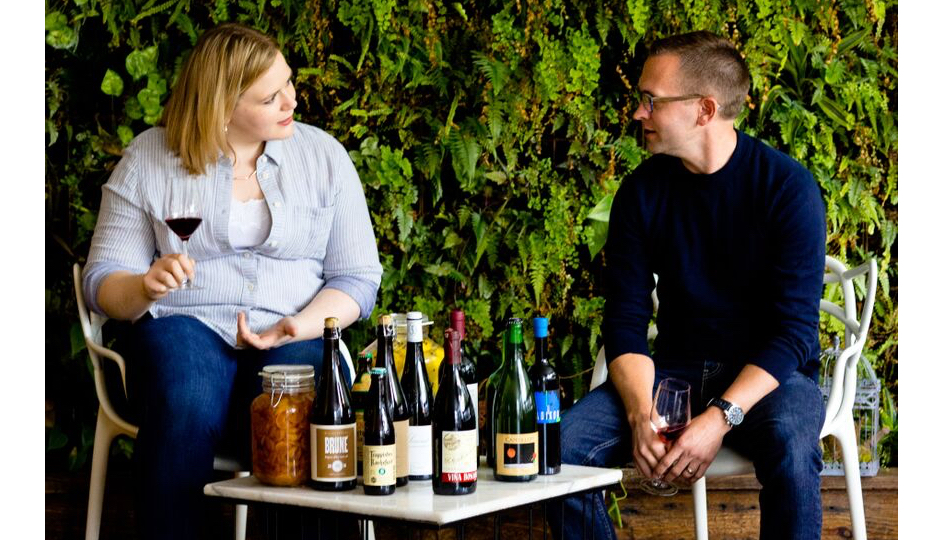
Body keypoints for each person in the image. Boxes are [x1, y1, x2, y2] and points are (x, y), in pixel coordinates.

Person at [82, 23, 383, 539]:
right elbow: (102, 280)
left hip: (296, 328)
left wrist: (298, 325)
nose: (291, 100)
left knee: (299, 402)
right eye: (270, 97)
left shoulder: (324, 157)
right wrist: (145, 286)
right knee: (187, 395)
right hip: (186, 322)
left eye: (288, 83)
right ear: (222, 106)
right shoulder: (151, 159)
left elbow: (356, 278)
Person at [550, 31, 827, 540]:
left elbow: (793, 334)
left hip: (769, 378)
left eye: (651, 100)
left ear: (704, 109)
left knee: (792, 447)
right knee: (562, 451)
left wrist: (719, 417)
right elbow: (625, 320)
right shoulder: (641, 192)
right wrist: (641, 414)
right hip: (673, 373)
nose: (639, 113)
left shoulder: (788, 189)